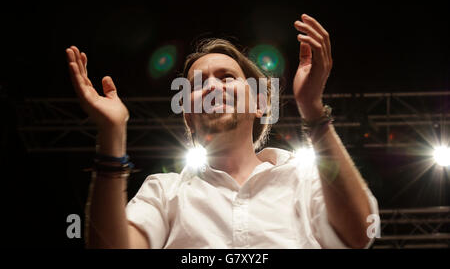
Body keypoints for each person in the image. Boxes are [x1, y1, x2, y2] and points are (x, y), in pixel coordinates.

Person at [66, 14, 379, 249]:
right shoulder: (164, 191)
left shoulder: (304, 178)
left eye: (226, 77)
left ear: (259, 102)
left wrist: (311, 108)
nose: (212, 87)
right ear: (188, 116)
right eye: (199, 84)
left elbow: (361, 232)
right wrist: (111, 135)